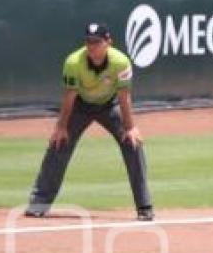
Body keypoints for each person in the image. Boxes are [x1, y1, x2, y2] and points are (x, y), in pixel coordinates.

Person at [25, 23, 154, 221]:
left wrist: (130, 127)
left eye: (97, 42)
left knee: (133, 143)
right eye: (88, 42)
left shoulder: (121, 62)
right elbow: (69, 97)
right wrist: (60, 128)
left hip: (110, 106)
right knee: (59, 143)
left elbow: (124, 97)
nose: (92, 46)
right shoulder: (73, 62)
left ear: (108, 42)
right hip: (80, 106)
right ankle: (39, 204)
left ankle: (144, 206)